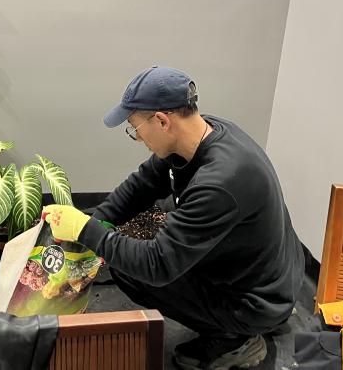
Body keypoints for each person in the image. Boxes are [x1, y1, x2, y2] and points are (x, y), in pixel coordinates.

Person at [42, 66, 304, 369]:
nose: (137, 138)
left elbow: (156, 266)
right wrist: (95, 225)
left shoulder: (221, 181)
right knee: (136, 234)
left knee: (131, 269)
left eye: (135, 128)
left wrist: (86, 230)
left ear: (162, 121)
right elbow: (140, 186)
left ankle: (237, 339)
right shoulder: (202, 133)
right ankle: (262, 313)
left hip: (256, 301)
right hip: (269, 272)